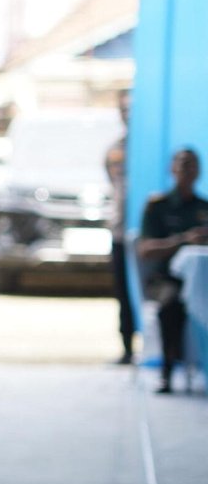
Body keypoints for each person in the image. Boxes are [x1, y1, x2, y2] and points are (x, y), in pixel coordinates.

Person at [135, 147, 208, 394]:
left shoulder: (204, 207)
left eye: (193, 164)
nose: (188, 170)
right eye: (183, 164)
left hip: (201, 280)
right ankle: (167, 370)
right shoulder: (158, 206)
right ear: (172, 169)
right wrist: (183, 240)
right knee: (172, 304)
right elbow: (145, 250)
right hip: (165, 279)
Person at [105, 90, 134, 364]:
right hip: (120, 230)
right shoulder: (115, 150)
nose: (129, 114)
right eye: (124, 109)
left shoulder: (151, 147)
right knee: (123, 290)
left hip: (148, 232)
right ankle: (127, 347)